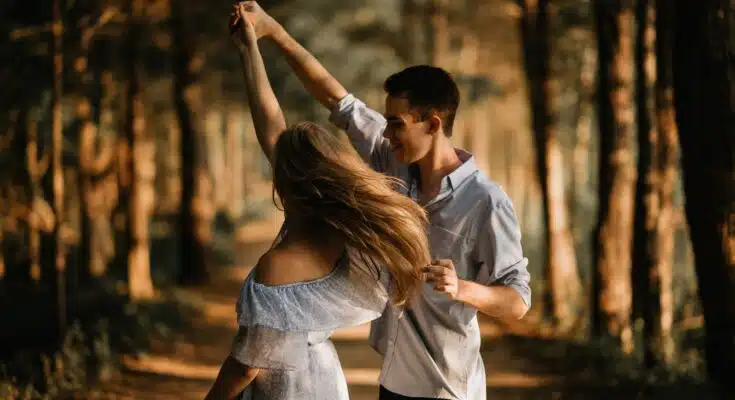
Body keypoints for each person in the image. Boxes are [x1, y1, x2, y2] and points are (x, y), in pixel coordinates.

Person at [234, 2, 533, 399]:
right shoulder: (391, 161)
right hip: (392, 379)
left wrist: (461, 288)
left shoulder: (486, 202)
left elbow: (517, 303)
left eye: (396, 124)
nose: (385, 132)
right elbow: (335, 98)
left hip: (444, 386)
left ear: (433, 124)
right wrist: (270, 33)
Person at [203, 5, 431, 399]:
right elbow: (272, 126)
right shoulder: (350, 239)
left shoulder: (278, 265)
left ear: (289, 183)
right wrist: (250, 50)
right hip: (326, 380)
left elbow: (248, 364)